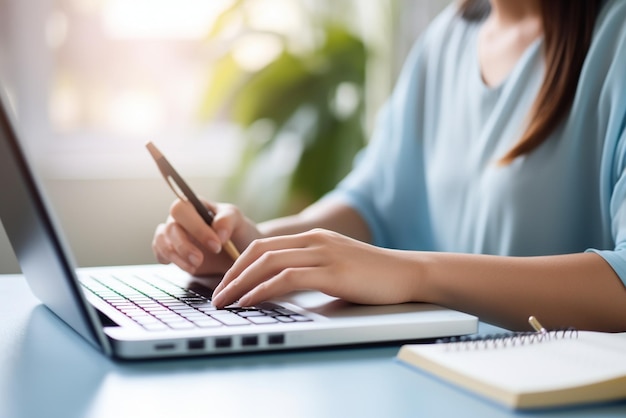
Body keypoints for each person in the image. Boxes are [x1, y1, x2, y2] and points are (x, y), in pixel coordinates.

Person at [152, 0, 626, 332]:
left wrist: (416, 274)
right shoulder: (447, 41)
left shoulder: (616, 40)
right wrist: (258, 246)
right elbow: (374, 203)